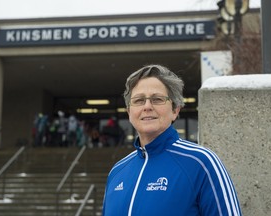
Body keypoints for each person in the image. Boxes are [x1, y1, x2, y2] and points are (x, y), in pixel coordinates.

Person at [102, 64, 242, 216]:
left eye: (157, 99)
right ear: (129, 112)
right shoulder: (117, 172)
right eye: (139, 100)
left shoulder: (202, 163)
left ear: (175, 110)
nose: (147, 106)